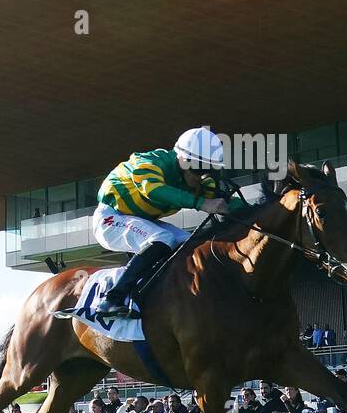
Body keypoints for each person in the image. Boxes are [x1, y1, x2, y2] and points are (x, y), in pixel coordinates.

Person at [90, 126, 247, 319]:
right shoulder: (151, 162)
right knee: (163, 238)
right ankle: (112, 299)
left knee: (193, 244)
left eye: (208, 169)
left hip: (141, 220)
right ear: (182, 158)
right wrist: (201, 203)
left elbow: (226, 202)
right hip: (110, 218)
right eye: (200, 168)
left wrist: (263, 209)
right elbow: (153, 189)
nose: (202, 176)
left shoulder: (193, 177)